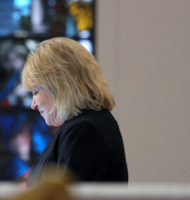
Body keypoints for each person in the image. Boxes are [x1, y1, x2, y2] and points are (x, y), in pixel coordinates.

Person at [22, 37, 128, 184]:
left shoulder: (84, 131)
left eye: (36, 91)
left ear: (59, 84)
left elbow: (65, 195)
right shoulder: (86, 125)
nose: (33, 105)